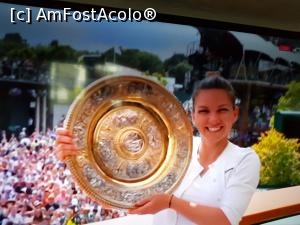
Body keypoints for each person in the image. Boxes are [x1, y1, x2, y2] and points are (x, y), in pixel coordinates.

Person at [55, 75, 260, 225]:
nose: (213, 119)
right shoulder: (181, 147)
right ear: (193, 116)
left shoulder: (245, 160)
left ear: (234, 113)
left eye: (222, 110)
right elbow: (127, 198)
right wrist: (76, 153)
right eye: (204, 111)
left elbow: (225, 220)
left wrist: (171, 203)